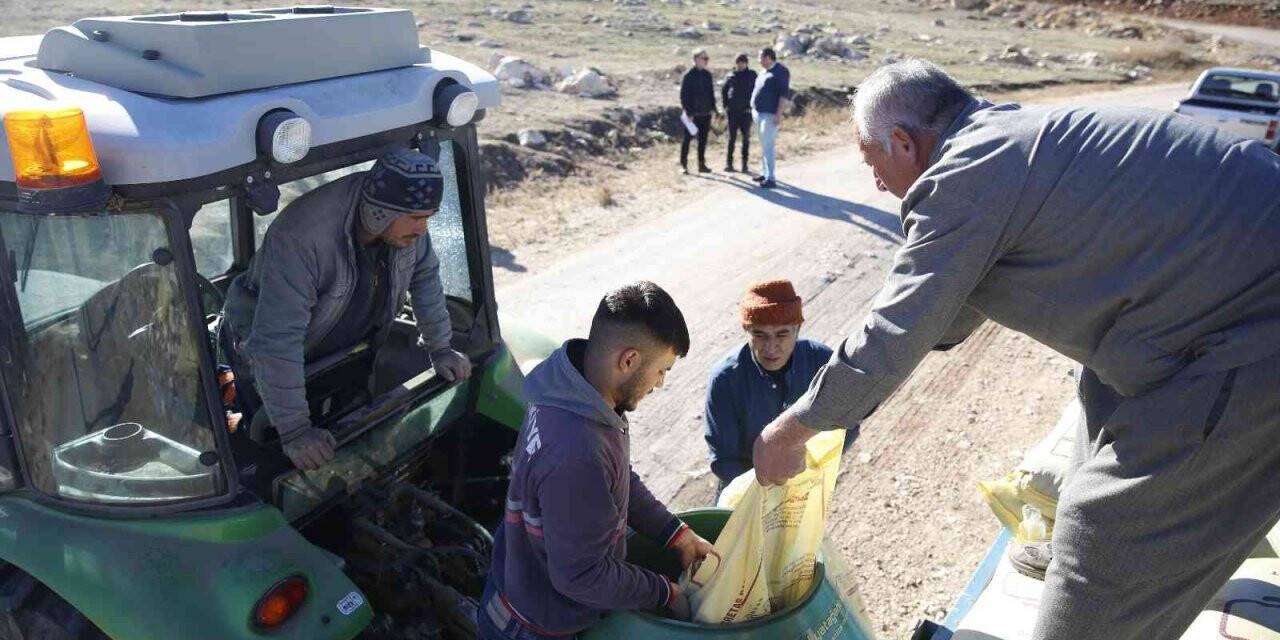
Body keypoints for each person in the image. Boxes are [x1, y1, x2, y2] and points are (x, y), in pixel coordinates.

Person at [750, 59, 1280, 640]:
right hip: (1215, 302)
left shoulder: (967, 174)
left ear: (903, 142)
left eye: (872, 162)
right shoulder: (1010, 145)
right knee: (1103, 389)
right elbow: (945, 317)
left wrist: (793, 428)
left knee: (1104, 525)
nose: (876, 182)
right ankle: (1082, 575)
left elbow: (898, 329)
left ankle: (1095, 603)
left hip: (1252, 333)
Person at [480, 281, 714, 640]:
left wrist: (675, 534)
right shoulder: (577, 450)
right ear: (629, 360)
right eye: (662, 370)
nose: (661, 383)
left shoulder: (568, 391)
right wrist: (665, 592)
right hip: (536, 627)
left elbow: (617, 478)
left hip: (521, 584)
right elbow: (582, 575)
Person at [222, 147, 473, 470]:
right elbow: (276, 340)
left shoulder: (405, 223)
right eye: (416, 219)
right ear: (379, 213)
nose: (423, 229)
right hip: (268, 356)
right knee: (273, 459)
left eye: (427, 218)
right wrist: (295, 431)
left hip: (344, 348)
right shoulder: (302, 237)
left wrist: (441, 349)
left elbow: (424, 277)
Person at [704, 280, 857, 492]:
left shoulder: (822, 362)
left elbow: (847, 424)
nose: (771, 347)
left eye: (782, 334)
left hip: (805, 487)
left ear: (798, 329)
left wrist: (811, 473)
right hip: (746, 492)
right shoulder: (725, 380)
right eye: (760, 335)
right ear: (746, 329)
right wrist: (765, 492)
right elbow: (724, 459)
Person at [749, 47, 790, 189]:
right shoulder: (763, 72)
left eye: (760, 57)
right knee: (763, 145)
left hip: (770, 114)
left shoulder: (781, 71)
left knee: (768, 145)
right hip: (758, 113)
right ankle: (764, 173)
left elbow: (784, 95)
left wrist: (779, 113)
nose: (758, 60)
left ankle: (771, 178)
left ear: (768, 58)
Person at [679, 48, 716, 175]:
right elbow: (684, 96)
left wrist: (714, 109)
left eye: (707, 58)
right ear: (695, 59)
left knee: (703, 140)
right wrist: (688, 113)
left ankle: (701, 164)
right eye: (703, 58)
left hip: (705, 113)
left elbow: (711, 93)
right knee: (687, 140)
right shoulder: (688, 76)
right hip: (692, 115)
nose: (706, 61)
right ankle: (683, 165)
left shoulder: (708, 75)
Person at [720, 53, 757, 173]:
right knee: (731, 138)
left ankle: (744, 165)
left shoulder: (752, 75)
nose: (740, 65)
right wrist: (725, 106)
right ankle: (729, 164)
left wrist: (753, 106)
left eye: (742, 62)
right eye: (738, 62)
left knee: (745, 138)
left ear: (746, 63)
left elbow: (757, 91)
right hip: (732, 112)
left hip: (746, 112)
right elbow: (724, 91)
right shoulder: (731, 75)